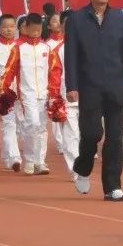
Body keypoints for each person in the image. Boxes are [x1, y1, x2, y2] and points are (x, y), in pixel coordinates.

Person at [64, 0, 123, 201]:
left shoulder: (120, 19)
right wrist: (72, 85)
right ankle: (82, 167)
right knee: (92, 133)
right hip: (89, 86)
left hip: (115, 85)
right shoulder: (76, 19)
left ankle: (112, 186)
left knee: (115, 138)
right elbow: (71, 54)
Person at [0, 14, 51, 176]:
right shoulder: (18, 48)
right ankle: (29, 159)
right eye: (33, 30)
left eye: (39, 30)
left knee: (41, 127)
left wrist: (54, 92)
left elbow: (54, 72)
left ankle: (40, 161)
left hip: (44, 93)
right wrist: (3, 90)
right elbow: (9, 71)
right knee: (32, 124)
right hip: (26, 94)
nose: (36, 33)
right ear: (25, 29)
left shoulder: (46, 48)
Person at [46, 11, 80, 175]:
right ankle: (76, 169)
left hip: (90, 97)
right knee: (71, 134)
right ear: (63, 27)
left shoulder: (91, 46)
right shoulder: (58, 50)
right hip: (68, 98)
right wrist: (54, 97)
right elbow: (54, 75)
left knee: (90, 133)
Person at [0, 14, 23, 172]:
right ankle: (15, 157)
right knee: (9, 125)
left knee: (21, 127)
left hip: (22, 92)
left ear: (15, 28)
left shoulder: (21, 47)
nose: (9, 30)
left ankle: (6, 154)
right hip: (3, 93)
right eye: (5, 27)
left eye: (11, 26)